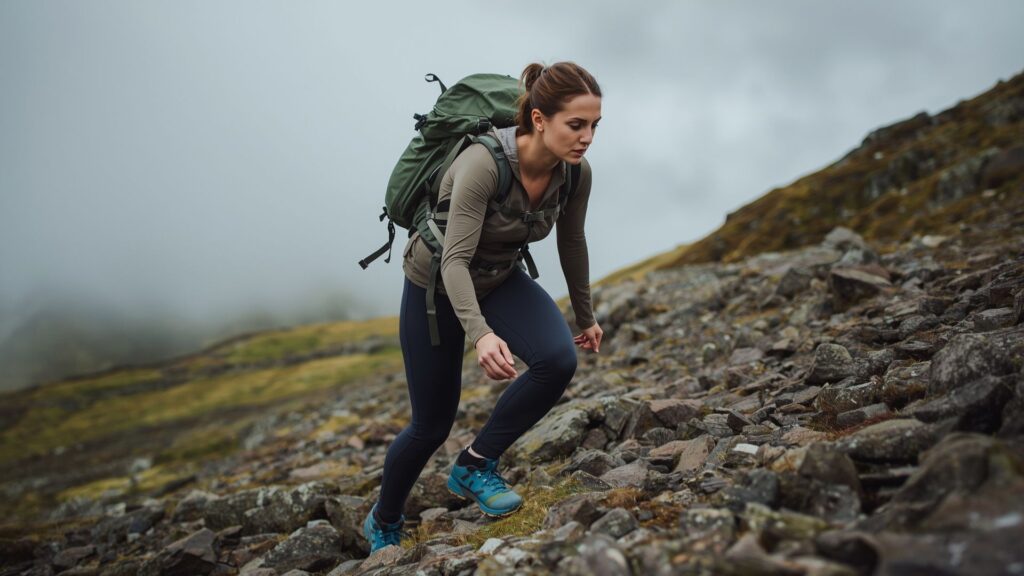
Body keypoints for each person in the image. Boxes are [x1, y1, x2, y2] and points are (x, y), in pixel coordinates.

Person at [363, 61, 605, 552]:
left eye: (594, 125)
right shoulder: (483, 164)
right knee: (431, 424)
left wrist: (585, 315)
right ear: (539, 120)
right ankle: (384, 519)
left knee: (558, 359)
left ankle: (476, 464)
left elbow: (572, 241)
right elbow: (453, 262)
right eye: (575, 125)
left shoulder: (574, 175)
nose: (587, 138)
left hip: (498, 278)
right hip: (435, 285)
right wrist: (482, 334)